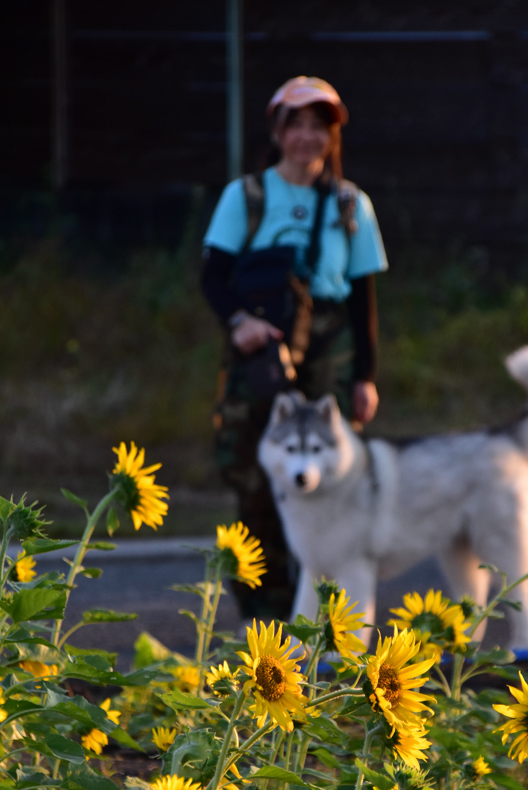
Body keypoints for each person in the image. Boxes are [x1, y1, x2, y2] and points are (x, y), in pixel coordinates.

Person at [201, 76, 388, 620]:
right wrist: (239, 322)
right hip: (260, 346)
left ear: (331, 137)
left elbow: (363, 298)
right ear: (278, 130)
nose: (307, 137)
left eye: (318, 127)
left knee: (329, 484)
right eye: (297, 125)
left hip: (329, 349)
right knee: (257, 482)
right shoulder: (248, 196)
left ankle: (322, 624)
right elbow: (213, 276)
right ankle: (261, 619)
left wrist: (364, 378)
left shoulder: (352, 204)